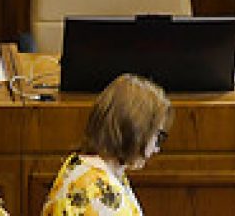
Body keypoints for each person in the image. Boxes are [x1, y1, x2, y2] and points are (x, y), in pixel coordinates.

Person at [42, 73, 170, 216]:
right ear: (135, 132)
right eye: (158, 136)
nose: (156, 149)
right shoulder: (105, 199)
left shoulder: (77, 164)